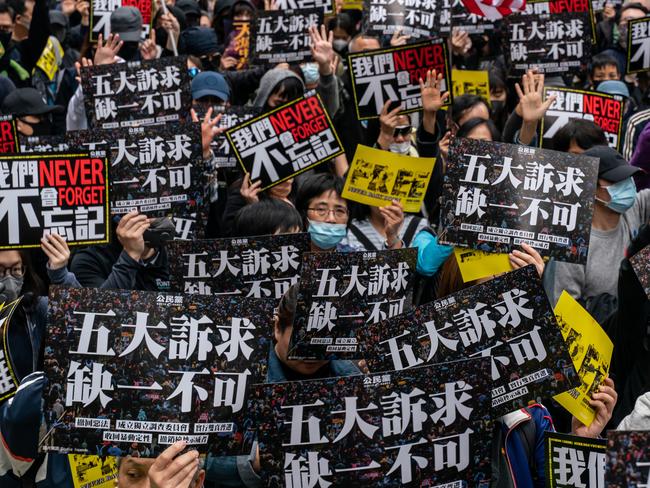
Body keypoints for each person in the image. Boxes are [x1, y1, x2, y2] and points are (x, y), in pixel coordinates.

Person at [544, 145, 650, 310]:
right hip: (599, 333)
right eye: (617, 180)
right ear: (590, 187)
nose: (628, 185)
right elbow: (563, 314)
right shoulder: (572, 246)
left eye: (629, 177)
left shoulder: (634, 209)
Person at [69, 211, 171, 291]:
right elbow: (104, 308)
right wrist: (131, 255)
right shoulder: (88, 259)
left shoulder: (170, 246)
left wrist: (148, 255)